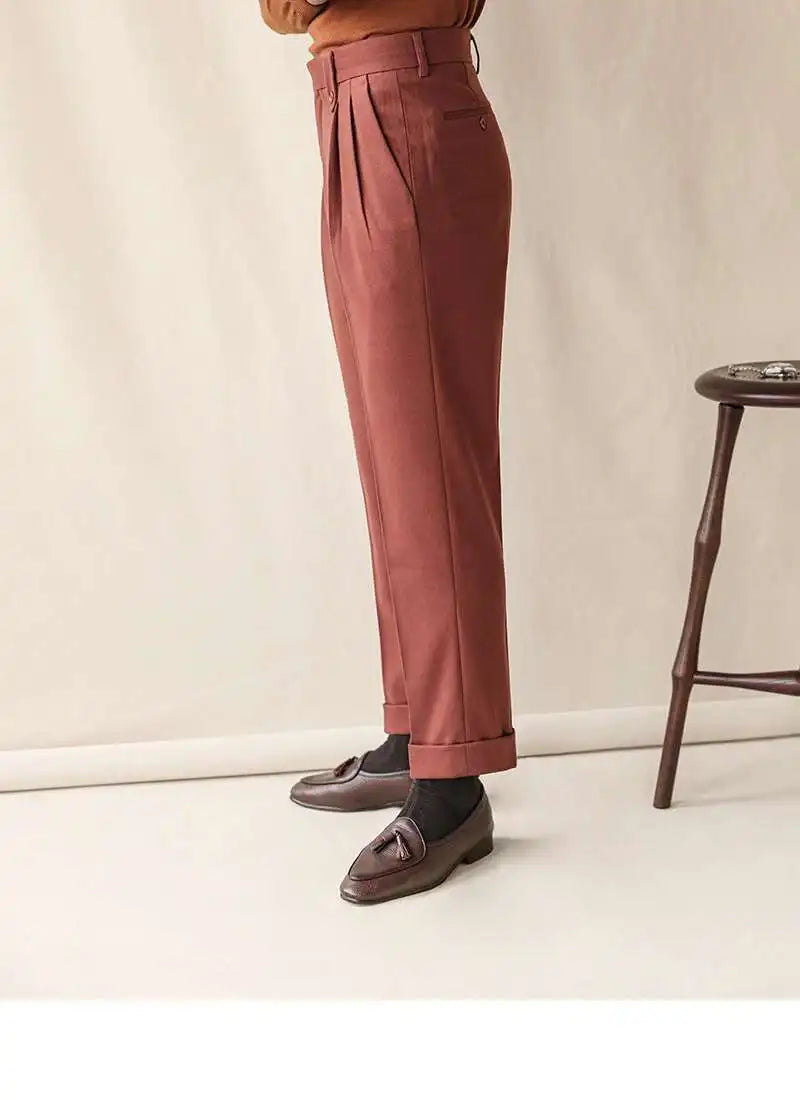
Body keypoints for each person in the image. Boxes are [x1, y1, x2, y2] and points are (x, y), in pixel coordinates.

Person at [260, 0, 515, 904]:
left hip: (405, 105)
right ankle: (417, 735)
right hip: (354, 110)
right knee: (392, 457)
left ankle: (454, 787)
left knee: (429, 469)